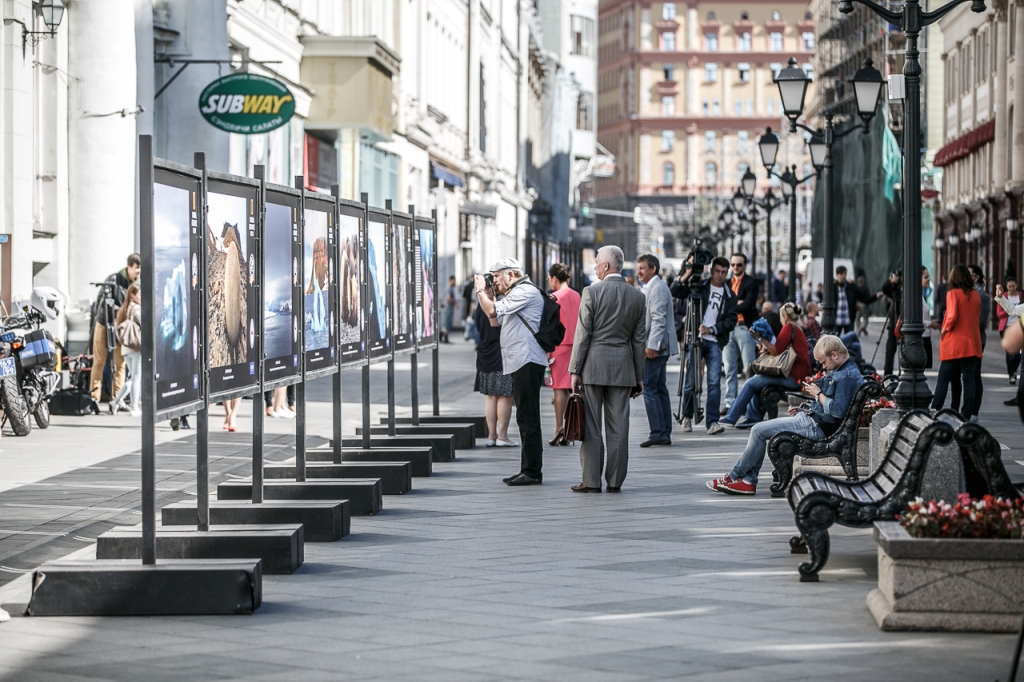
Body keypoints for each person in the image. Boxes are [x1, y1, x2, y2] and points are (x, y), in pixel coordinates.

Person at [707, 335, 865, 495]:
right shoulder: (844, 370)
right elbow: (833, 409)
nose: (824, 367)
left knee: (757, 430)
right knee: (759, 430)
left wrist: (818, 395)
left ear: (835, 355)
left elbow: (838, 410)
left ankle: (736, 477)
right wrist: (805, 410)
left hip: (816, 428)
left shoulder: (847, 377)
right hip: (811, 421)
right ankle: (747, 481)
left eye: (824, 362)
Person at [568, 245, 646, 492]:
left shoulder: (591, 293)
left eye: (597, 262)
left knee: (591, 425)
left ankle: (591, 481)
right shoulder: (638, 297)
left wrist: (575, 370)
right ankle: (614, 482)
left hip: (593, 367)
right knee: (619, 427)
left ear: (606, 266)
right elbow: (639, 340)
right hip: (623, 369)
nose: (594, 267)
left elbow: (583, 335)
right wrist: (639, 376)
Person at [474, 258, 547, 486]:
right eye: (492, 276)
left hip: (527, 361)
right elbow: (495, 321)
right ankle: (527, 469)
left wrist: (479, 291)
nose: (494, 280)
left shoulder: (524, 292)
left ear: (512, 274)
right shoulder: (513, 294)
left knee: (528, 417)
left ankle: (533, 471)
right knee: (524, 416)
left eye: (497, 276)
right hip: (518, 361)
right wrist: (490, 294)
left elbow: (492, 309)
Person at [671, 256, 737, 435]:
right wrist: (689, 271)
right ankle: (686, 416)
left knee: (714, 383)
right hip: (695, 340)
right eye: (717, 271)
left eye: (724, 272)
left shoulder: (730, 294)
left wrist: (713, 329)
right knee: (690, 381)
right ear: (711, 270)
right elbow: (675, 290)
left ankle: (712, 422)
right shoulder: (700, 286)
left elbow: (731, 320)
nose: (720, 275)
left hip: (714, 342)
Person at [720, 302, 811, 429]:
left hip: (793, 377)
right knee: (756, 382)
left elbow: (776, 350)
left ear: (785, 317)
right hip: (797, 376)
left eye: (780, 317)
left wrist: (760, 338)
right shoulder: (797, 328)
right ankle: (752, 417)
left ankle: (731, 418)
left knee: (750, 383)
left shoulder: (788, 327)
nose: (780, 320)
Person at [636, 253, 679, 447]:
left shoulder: (658, 288)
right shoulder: (652, 287)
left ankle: (658, 432)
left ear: (653, 269)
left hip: (656, 348)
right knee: (659, 388)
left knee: (651, 388)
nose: (639, 272)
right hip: (658, 346)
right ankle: (663, 431)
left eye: (642, 268)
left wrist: (652, 346)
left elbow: (658, 319)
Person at [930, 265, 982, 418]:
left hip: (955, 344)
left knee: (943, 378)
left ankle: (935, 410)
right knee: (969, 379)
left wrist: (944, 329)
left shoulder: (953, 293)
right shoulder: (976, 295)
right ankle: (966, 415)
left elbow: (952, 316)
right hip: (972, 342)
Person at [89, 253, 141, 404]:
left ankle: (118, 399)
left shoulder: (137, 283)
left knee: (120, 363)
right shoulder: (113, 280)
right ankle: (94, 398)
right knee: (99, 361)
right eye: (137, 269)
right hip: (104, 323)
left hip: (122, 328)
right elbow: (102, 302)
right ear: (129, 267)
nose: (139, 272)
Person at [473, 282, 516, 447]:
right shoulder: (497, 306)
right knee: (505, 395)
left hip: (484, 354)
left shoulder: (479, 306)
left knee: (491, 396)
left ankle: (491, 436)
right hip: (501, 353)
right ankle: (502, 436)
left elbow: (477, 328)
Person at [546, 263, 581, 445]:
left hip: (559, 346)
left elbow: (550, 325)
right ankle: (569, 428)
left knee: (559, 388)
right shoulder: (577, 296)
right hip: (576, 345)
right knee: (569, 387)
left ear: (554, 278)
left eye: (549, 278)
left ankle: (559, 427)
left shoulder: (552, 297)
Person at [722, 253, 760, 413]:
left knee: (749, 367)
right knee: (729, 368)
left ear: (745, 265)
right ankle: (731, 403)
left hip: (744, 327)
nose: (735, 267)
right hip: (728, 327)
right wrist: (736, 303)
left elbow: (748, 304)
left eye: (739, 264)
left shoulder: (752, 282)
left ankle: (749, 405)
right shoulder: (725, 283)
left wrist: (730, 305)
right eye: (733, 265)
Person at [110, 282, 141, 417]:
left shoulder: (123, 309)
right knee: (137, 378)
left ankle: (116, 401)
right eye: (140, 294)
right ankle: (134, 407)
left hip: (125, 349)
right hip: (137, 348)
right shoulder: (137, 309)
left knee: (133, 378)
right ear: (132, 295)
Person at [996, 277, 1022, 384]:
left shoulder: (1021, 296)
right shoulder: (1005, 297)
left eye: (1013, 286)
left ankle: (1014, 372)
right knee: (1010, 353)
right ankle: (1011, 374)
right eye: (1009, 286)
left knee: (1019, 355)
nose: (1011, 288)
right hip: (1007, 328)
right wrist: (1002, 298)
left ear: (1016, 286)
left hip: (1019, 328)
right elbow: (1003, 312)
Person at [878, 270, 903, 375]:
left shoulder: (904, 286)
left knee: (905, 349)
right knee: (890, 349)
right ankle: (888, 373)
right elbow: (884, 289)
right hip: (893, 320)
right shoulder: (893, 286)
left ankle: (905, 373)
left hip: (903, 319)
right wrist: (891, 281)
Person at [833, 266, 856, 335]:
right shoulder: (833, 287)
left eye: (845, 274)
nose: (844, 276)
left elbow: (862, 296)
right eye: (842, 274)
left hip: (848, 319)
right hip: (837, 319)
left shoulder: (850, 286)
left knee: (849, 340)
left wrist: (876, 296)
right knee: (835, 341)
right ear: (837, 274)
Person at [441, 275, 456, 343]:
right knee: (447, 323)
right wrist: (454, 303)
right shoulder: (449, 288)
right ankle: (444, 337)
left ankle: (442, 335)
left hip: (448, 307)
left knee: (447, 322)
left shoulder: (449, 288)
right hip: (448, 307)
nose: (454, 282)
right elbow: (448, 297)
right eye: (454, 280)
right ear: (451, 280)